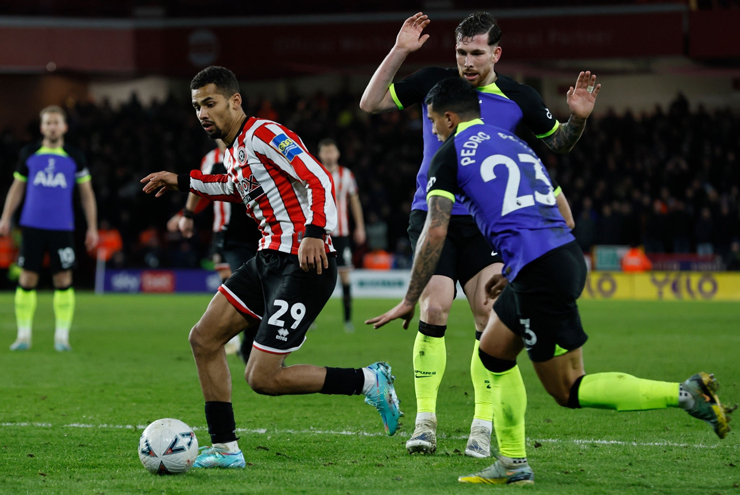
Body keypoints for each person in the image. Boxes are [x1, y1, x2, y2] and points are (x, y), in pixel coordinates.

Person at [368, 77, 734, 485]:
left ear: (450, 118)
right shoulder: (516, 144)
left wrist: (409, 297)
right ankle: (512, 462)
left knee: (568, 388)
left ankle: (685, 394)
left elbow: (435, 231)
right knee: (493, 351)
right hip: (563, 256)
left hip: (541, 271)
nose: (432, 129)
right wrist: (515, 265)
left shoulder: (448, 156)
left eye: (434, 121)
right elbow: (565, 215)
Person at [141, 66, 401, 469]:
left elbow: (317, 177)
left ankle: (369, 381)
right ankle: (227, 450)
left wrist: (315, 231)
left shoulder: (264, 133)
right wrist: (181, 180)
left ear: (235, 101)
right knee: (204, 339)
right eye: (196, 107)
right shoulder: (236, 149)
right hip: (269, 260)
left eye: (210, 103)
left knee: (262, 378)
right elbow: (231, 186)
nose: (203, 114)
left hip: (304, 262)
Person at [360, 11, 587, 456]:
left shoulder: (519, 97)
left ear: (496, 53)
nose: (467, 61)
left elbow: (558, 143)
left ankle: (481, 426)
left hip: (488, 222)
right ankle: (425, 421)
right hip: (433, 212)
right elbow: (371, 103)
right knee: (436, 306)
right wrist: (401, 50)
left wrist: (577, 119)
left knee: (488, 317)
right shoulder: (437, 84)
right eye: (461, 52)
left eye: (476, 52)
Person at [0, 105, 98, 352]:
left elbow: (87, 194)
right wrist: (5, 217)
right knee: (27, 277)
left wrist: (92, 227)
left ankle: (62, 338)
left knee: (63, 278)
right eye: (48, 123)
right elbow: (17, 187)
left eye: (56, 122)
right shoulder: (29, 153)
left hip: (62, 226)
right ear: (42, 127)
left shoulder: (75, 156)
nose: (52, 127)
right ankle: (23, 336)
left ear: (64, 127)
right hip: (31, 225)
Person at [167, 139, 261, 355]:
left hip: (252, 232)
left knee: (244, 283)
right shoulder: (211, 160)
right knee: (230, 279)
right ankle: (236, 339)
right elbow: (199, 187)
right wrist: (185, 215)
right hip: (223, 231)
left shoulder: (249, 153)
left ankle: (244, 338)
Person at [317, 139, 366, 332]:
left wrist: (360, 227)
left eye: (332, 151)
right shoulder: (315, 172)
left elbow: (354, 202)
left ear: (337, 154)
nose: (329, 155)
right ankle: (308, 318)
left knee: (345, 277)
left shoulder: (347, 175)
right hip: (320, 233)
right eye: (325, 151)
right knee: (314, 277)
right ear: (320, 154)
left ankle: (347, 320)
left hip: (342, 233)